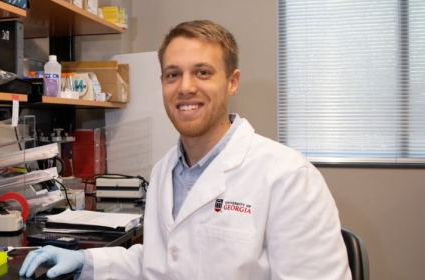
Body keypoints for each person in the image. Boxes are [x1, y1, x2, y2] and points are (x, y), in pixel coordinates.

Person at [19, 20, 351, 279]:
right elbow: (161, 264)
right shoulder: (165, 171)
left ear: (232, 82)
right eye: (173, 75)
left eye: (202, 72)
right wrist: (84, 261)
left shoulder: (288, 177)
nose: (186, 87)